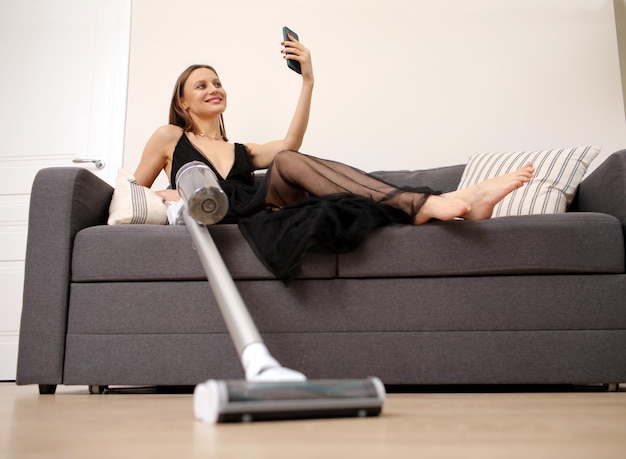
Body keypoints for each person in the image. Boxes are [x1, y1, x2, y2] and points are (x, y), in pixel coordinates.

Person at [133, 35, 534, 281]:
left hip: (257, 211)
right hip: (217, 215)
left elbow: (291, 141)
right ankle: (435, 203)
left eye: (217, 82)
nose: (213, 88)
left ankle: (450, 203)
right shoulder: (169, 137)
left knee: (294, 164)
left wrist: (308, 79)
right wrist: (165, 197)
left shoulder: (244, 151)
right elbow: (133, 190)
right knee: (291, 163)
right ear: (183, 102)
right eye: (201, 85)